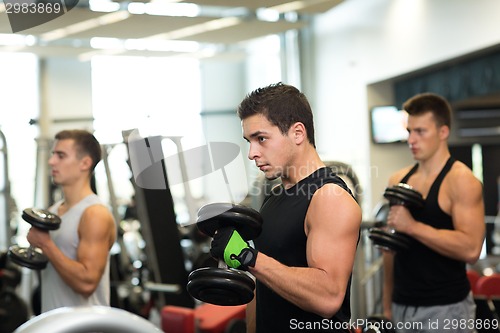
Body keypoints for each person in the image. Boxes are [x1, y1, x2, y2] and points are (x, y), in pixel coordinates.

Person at [210, 82, 362, 332]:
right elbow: (261, 284)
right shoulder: (274, 198)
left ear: (298, 133)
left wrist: (248, 257)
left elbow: (328, 298)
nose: (251, 153)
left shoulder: (329, 197)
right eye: (249, 141)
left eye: (261, 139)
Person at [382, 93, 485, 333]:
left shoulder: (461, 180)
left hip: (446, 308)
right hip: (402, 305)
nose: (412, 140)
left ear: (443, 132)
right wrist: (387, 304)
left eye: (420, 131)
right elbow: (390, 250)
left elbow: (471, 249)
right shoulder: (398, 179)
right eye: (409, 131)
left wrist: (412, 227)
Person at [27, 129, 116, 312]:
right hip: (55, 324)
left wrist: (46, 245)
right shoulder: (53, 211)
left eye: (61, 156)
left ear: (85, 163)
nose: (51, 161)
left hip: (85, 328)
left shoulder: (94, 214)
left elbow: (86, 284)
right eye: (53, 155)